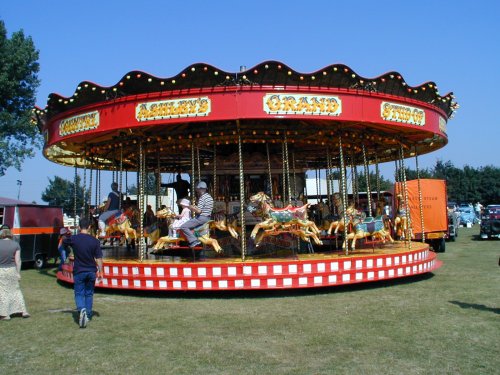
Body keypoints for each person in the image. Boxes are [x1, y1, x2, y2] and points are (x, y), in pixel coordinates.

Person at [63, 218, 103, 328]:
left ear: (79, 227)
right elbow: (99, 258)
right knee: (89, 293)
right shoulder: (95, 241)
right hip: (91, 271)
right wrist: (101, 271)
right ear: (90, 227)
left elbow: (64, 241)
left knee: (79, 292)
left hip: (79, 270)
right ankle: (88, 314)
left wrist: (67, 234)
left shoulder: (74, 239)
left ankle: (81, 309)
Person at [0, 228, 30, 320]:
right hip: (12, 270)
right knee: (16, 290)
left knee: (3, 292)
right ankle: (24, 311)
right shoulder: (15, 244)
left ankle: (5, 314)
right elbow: (18, 260)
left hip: (1, 270)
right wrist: (18, 273)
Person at [179, 181, 214, 248]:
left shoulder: (202, 198)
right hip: (208, 217)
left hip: (201, 218)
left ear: (201, 189)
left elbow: (199, 211)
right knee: (191, 226)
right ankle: (196, 237)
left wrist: (191, 207)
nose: (197, 191)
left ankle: (193, 241)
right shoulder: (210, 197)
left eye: (197, 189)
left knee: (183, 226)